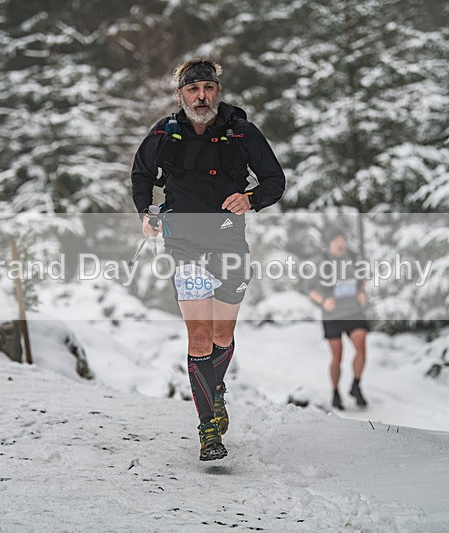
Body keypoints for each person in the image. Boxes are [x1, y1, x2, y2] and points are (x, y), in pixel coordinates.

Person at [130, 58, 285, 461]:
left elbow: (275, 180)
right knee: (199, 336)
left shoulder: (241, 132)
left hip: (228, 240)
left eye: (208, 88)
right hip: (183, 244)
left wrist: (251, 199)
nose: (201, 96)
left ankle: (215, 389)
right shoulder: (165, 132)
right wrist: (146, 212)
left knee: (221, 335)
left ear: (217, 91)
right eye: (193, 89)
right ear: (180, 94)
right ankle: (208, 428)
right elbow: (141, 174)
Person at [307, 225, 369, 410]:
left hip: (354, 311)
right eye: (336, 241)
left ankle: (356, 385)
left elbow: (364, 277)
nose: (340, 244)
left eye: (343, 240)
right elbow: (309, 289)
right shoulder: (322, 262)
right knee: (337, 357)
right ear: (329, 244)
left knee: (361, 348)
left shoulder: (354, 258)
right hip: (332, 315)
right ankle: (335, 392)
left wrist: (362, 291)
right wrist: (323, 301)